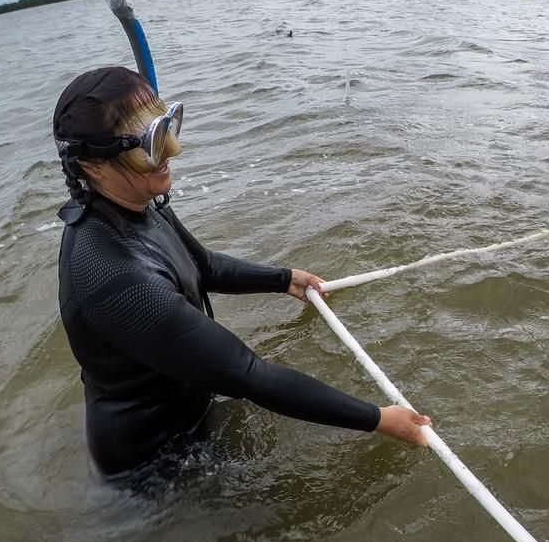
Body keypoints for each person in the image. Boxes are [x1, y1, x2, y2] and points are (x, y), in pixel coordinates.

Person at [53, 66, 431, 485]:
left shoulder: (137, 204)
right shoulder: (114, 276)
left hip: (187, 404)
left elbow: (204, 266)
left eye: (166, 128)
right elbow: (248, 373)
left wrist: (283, 279)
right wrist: (379, 419)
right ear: (93, 166)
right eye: (151, 144)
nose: (174, 150)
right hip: (155, 460)